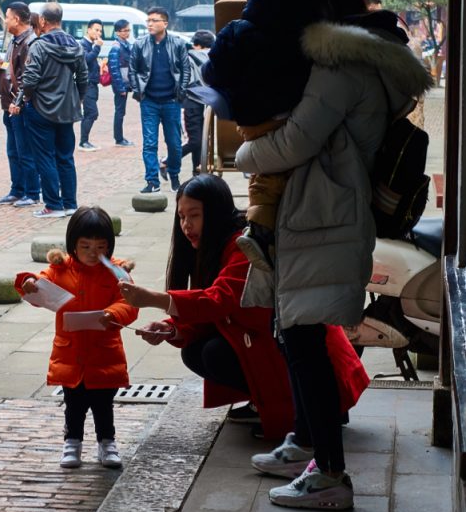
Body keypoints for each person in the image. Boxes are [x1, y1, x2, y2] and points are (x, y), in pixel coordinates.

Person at [235, 0, 433, 511]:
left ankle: (330, 475)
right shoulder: (365, 61)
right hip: (328, 213)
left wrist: (244, 152)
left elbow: (296, 141)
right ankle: (306, 443)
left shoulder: (337, 66)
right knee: (297, 334)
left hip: (324, 216)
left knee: (302, 341)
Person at [119, 174, 368, 444]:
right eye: (181, 217)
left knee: (213, 353)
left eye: (194, 215)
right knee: (195, 351)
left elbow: (219, 300)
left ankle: (300, 415)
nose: (186, 225)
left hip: (302, 354)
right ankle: (268, 404)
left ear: (214, 213)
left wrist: (155, 298)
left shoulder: (243, 246)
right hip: (268, 342)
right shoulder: (213, 246)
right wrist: (169, 327)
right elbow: (210, 311)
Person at [203, 0, 314, 271]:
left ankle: (260, 231)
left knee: (263, 176)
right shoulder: (305, 34)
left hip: (251, 122)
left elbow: (212, 74)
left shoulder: (238, 30)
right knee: (276, 175)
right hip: (292, 116)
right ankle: (271, 231)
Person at [15, 207, 137, 469]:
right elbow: (40, 281)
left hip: (105, 351)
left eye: (101, 247)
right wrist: (29, 282)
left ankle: (107, 442)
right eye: (86, 246)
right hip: (70, 353)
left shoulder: (117, 272)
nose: (94, 253)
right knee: (74, 403)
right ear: (73, 245)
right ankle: (72, 442)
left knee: (104, 403)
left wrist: (112, 313)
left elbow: (130, 303)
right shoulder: (60, 269)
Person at [21, 2, 88, 219]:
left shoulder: (38, 46)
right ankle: (70, 203)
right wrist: (78, 98)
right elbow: (84, 77)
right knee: (65, 157)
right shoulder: (75, 45)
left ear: (42, 21)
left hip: (41, 108)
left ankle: (52, 204)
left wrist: (28, 99)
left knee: (45, 157)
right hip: (67, 110)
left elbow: (29, 78)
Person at [130, 6, 190, 193]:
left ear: (165, 23)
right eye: (148, 21)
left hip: (172, 101)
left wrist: (181, 92)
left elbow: (186, 69)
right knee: (150, 143)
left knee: (174, 143)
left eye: (154, 20)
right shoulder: (139, 44)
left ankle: (174, 175)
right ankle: (152, 181)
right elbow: (133, 70)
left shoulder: (178, 43)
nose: (150, 24)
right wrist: (139, 92)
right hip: (149, 102)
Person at [0, 2, 41, 208]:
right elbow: (15, 69)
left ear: (17, 19)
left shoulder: (30, 42)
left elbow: (28, 78)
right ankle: (17, 189)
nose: (5, 20)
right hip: (9, 104)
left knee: (25, 152)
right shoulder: (16, 41)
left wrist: (18, 101)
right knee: (14, 151)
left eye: (7, 16)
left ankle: (32, 192)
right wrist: (2, 65)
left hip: (19, 105)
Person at [162, 29, 215, 179]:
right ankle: (167, 162)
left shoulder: (186, 56)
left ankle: (197, 172)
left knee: (198, 141)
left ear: (196, 45)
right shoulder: (209, 57)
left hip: (194, 101)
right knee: (197, 141)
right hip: (195, 102)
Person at [108, 19, 135, 147]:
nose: (127, 33)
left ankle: (119, 137)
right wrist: (120, 87)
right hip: (120, 84)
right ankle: (118, 138)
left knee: (121, 111)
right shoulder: (116, 47)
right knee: (119, 111)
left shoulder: (126, 45)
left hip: (124, 83)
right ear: (118, 32)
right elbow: (114, 69)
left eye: (128, 30)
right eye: (125, 31)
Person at [78, 18, 103, 151]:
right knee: (91, 113)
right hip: (87, 84)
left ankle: (84, 141)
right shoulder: (83, 44)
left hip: (93, 84)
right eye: (96, 30)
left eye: (100, 31)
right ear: (88, 30)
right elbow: (86, 60)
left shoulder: (90, 45)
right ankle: (83, 142)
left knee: (90, 113)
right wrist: (98, 47)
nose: (98, 33)